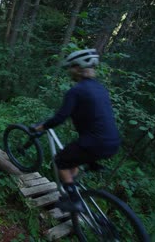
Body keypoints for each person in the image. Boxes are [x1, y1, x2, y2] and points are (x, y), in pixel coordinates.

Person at [32, 48, 121, 212]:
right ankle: (71, 185)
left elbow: (60, 118)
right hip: (112, 143)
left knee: (60, 161)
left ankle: (74, 200)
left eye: (71, 67)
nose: (69, 71)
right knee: (73, 158)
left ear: (78, 68)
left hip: (94, 142)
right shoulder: (101, 89)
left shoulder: (76, 91)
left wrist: (41, 127)